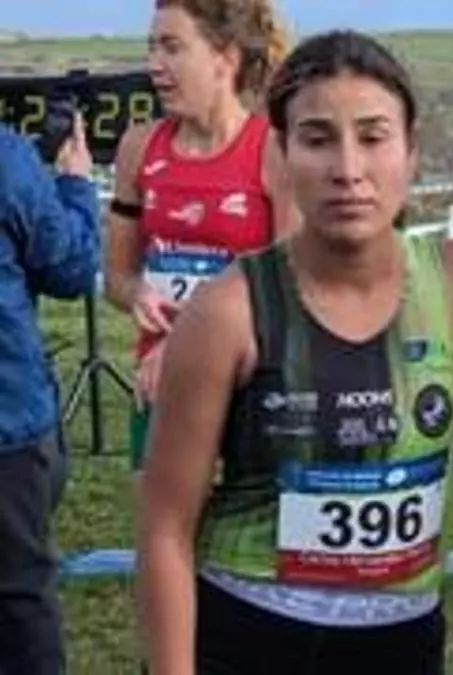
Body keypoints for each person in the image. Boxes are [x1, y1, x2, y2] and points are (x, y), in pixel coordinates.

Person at [135, 30, 453, 675]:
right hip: (248, 635)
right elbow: (165, 529)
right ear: (282, 154)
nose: (348, 169)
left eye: (372, 137)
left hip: (401, 642)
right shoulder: (228, 311)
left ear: (410, 150)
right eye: (317, 139)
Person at [103, 0, 295, 478]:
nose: (154, 65)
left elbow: (292, 287)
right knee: (161, 521)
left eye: (172, 48)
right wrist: (137, 294)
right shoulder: (138, 147)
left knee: (241, 524)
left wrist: (192, 342)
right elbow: (116, 278)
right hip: (160, 382)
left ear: (224, 58)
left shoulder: (272, 150)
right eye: (151, 48)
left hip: (250, 388)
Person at [0, 115, 98, 673]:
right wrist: (76, 186)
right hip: (8, 426)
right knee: (19, 596)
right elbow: (71, 269)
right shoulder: (8, 160)